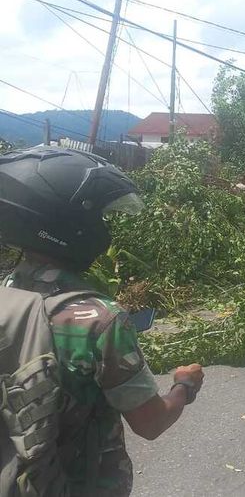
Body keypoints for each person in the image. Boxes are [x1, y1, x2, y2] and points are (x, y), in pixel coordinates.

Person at [0, 147, 204, 497]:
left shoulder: (6, 296)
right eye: (100, 217)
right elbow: (150, 422)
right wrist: (184, 388)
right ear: (70, 224)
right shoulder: (98, 319)